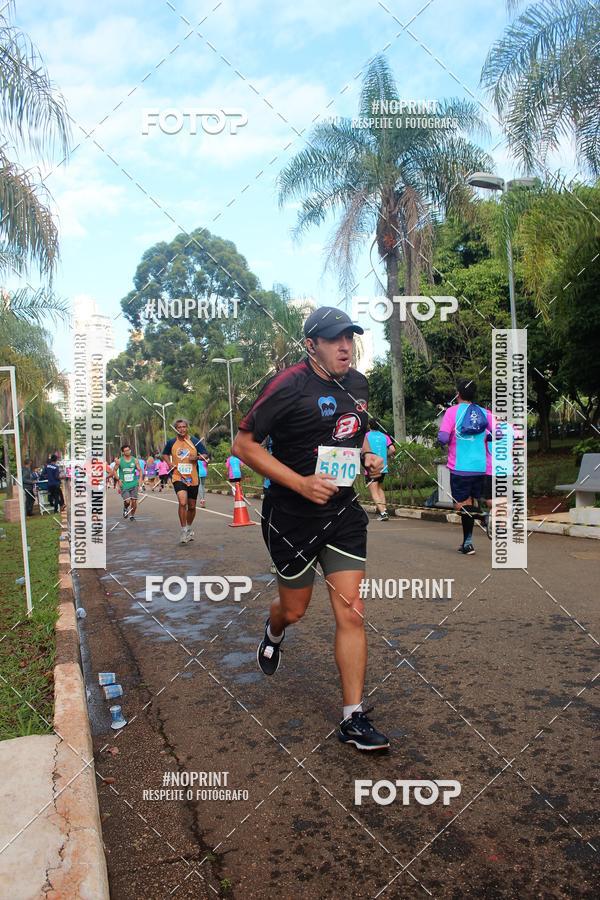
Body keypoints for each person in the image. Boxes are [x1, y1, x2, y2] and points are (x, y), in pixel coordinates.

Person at [233, 305, 389, 752]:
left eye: (350, 338)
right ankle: (274, 628)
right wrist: (301, 482)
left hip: (342, 515)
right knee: (295, 609)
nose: (346, 346)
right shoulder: (287, 386)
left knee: (351, 610)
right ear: (311, 346)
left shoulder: (357, 383)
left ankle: (352, 718)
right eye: (335, 339)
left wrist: (367, 457)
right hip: (291, 518)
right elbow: (243, 444)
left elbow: (352, 435)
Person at [437, 378, 495, 555]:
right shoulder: (485, 413)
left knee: (461, 506)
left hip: (460, 468)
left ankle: (484, 517)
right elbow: (498, 433)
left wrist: (440, 439)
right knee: (473, 502)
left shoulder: (452, 412)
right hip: (481, 467)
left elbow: (444, 438)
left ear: (458, 394)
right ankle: (467, 544)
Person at [162, 419, 209, 544]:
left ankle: (188, 527)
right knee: (182, 502)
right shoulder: (172, 442)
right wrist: (169, 463)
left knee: (192, 506)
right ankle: (183, 530)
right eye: (179, 427)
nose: (182, 429)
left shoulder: (194, 441)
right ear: (176, 429)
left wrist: (198, 457)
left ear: (187, 428)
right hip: (178, 476)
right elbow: (165, 454)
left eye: (184, 427)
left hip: (193, 477)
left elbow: (206, 455)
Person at [364, 419, 395, 520]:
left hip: (371, 467)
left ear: (369, 426)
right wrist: (385, 456)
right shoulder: (385, 436)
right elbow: (392, 449)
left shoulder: (366, 436)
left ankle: (383, 513)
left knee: (374, 491)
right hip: (383, 466)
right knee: (379, 488)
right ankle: (384, 510)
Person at [115, 444, 142, 521]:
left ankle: (132, 515)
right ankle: (125, 507)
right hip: (124, 484)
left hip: (133, 483)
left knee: (134, 501)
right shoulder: (120, 461)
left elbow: (140, 470)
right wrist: (118, 479)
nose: (128, 452)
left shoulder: (135, 460)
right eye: (125, 451)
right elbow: (114, 470)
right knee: (127, 501)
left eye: (128, 450)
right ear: (123, 452)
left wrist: (140, 480)